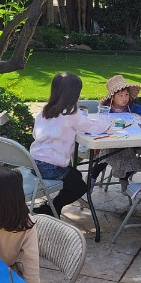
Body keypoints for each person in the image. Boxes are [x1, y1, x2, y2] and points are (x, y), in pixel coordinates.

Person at [30, 72, 110, 217]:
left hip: (35, 163)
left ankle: (52, 207)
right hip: (51, 167)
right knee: (80, 187)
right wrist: (106, 118)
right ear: (74, 95)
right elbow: (94, 128)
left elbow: (36, 135)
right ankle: (53, 208)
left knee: (76, 174)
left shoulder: (44, 111)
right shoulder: (72, 114)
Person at [99, 74, 141, 183]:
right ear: (112, 97)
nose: (125, 98)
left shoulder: (130, 106)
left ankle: (124, 180)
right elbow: (101, 122)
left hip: (127, 141)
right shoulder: (107, 109)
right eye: (121, 95)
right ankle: (92, 177)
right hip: (110, 141)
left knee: (132, 161)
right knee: (103, 157)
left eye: (127, 94)